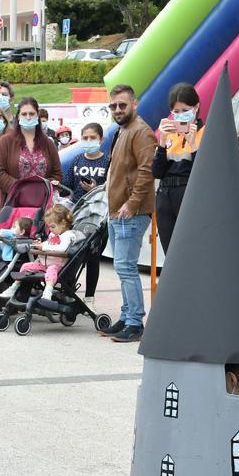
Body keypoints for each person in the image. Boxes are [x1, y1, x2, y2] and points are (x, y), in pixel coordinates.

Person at [101, 84, 157, 344]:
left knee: (125, 267)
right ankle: (126, 316)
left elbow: (147, 171)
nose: (117, 110)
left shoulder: (141, 132)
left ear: (134, 104)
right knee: (122, 267)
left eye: (122, 105)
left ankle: (135, 322)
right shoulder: (124, 130)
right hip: (118, 211)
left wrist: (133, 203)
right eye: (113, 106)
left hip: (130, 212)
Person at [152, 83, 203, 253]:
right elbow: (157, 172)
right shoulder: (170, 133)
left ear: (196, 107)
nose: (180, 116)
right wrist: (161, 143)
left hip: (188, 193)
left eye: (185, 110)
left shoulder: (206, 132)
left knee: (190, 250)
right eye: (176, 112)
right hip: (165, 195)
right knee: (170, 251)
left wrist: (193, 143)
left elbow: (204, 172)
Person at [65, 122, 110, 310]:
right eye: (85, 138)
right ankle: (67, 292)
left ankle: (89, 298)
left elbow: (110, 186)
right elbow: (67, 183)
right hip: (77, 215)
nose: (89, 141)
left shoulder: (107, 161)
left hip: (99, 216)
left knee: (93, 257)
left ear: (101, 139)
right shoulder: (76, 160)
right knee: (71, 254)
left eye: (93, 138)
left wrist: (95, 188)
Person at [1, 204, 81, 301]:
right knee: (26, 266)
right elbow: (49, 243)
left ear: (63, 223)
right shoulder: (53, 234)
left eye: (52, 226)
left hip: (57, 266)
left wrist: (44, 246)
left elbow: (61, 248)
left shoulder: (68, 236)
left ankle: (47, 292)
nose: (50, 229)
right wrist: (39, 244)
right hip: (44, 264)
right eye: (49, 227)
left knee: (51, 270)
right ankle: (14, 287)